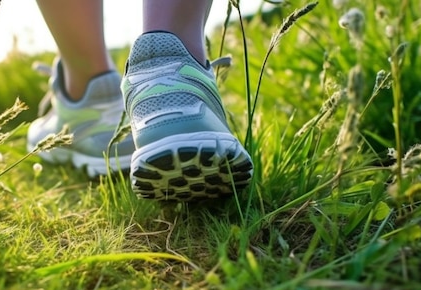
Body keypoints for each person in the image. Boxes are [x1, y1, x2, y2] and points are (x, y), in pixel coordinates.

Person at [26, 0, 253, 202]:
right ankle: (176, 75)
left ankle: (86, 93)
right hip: (190, 100)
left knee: (86, 76)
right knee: (172, 45)